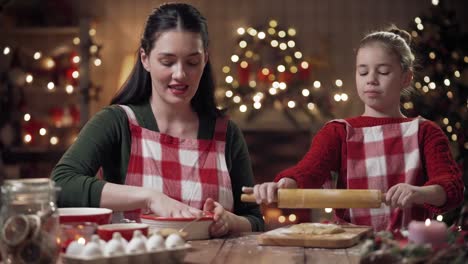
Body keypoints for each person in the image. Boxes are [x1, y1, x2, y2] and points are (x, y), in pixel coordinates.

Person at [52, 3, 263, 237]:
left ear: (205, 60)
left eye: (192, 62)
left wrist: (230, 221)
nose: (180, 74)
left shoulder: (227, 134)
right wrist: (149, 197)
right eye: (167, 61)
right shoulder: (116, 123)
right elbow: (61, 185)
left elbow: (254, 219)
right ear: (145, 58)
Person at [246, 26, 464, 231]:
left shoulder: (425, 132)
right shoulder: (339, 132)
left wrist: (419, 193)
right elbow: (308, 172)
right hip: (351, 247)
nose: (371, 80)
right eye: (363, 72)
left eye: (383, 72)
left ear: (406, 78)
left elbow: (451, 188)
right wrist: (282, 185)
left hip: (409, 249)